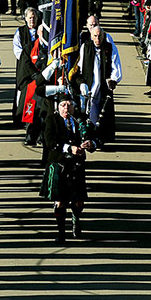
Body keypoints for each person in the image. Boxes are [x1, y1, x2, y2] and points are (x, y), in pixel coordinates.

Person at [39, 95, 98, 243]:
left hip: (76, 166)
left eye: (69, 105)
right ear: (58, 107)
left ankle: (75, 219)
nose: (66, 108)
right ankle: (61, 233)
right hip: (59, 164)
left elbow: (95, 136)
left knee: (78, 201)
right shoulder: (51, 120)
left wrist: (91, 144)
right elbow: (49, 141)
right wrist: (69, 148)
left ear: (74, 106)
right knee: (60, 202)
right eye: (63, 105)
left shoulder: (80, 120)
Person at [75, 26, 122, 143]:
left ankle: (102, 138)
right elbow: (80, 68)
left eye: (100, 36)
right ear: (91, 36)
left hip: (103, 87)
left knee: (104, 114)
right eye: (95, 36)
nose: (97, 39)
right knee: (89, 113)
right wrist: (82, 83)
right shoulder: (85, 47)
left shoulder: (110, 48)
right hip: (90, 86)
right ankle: (89, 137)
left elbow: (116, 65)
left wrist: (113, 79)